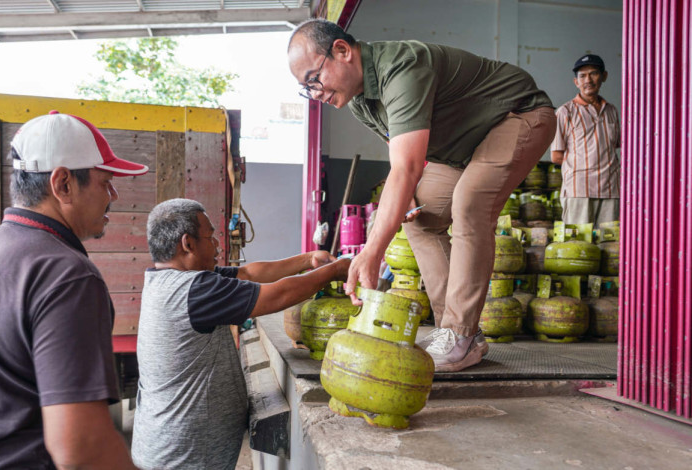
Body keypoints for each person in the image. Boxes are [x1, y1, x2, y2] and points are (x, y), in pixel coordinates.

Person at [287, 19, 556, 372]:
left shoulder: (402, 66)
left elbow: (407, 168)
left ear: (342, 51)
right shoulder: (359, 101)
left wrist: (371, 252)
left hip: (518, 116)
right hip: (464, 148)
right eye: (306, 89)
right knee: (421, 219)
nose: (316, 93)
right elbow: (398, 151)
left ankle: (459, 333)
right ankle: (459, 333)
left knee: (470, 203)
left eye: (313, 79)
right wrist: (407, 191)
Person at [0, 111, 147, 469]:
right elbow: (82, 449)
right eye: (105, 182)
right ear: (63, 184)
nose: (114, 195)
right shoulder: (67, 276)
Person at [131, 198, 350, 470]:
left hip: (168, 443)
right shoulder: (194, 290)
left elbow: (248, 273)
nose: (218, 245)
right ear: (187, 244)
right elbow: (278, 294)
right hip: (184, 455)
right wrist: (336, 270)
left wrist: (308, 259)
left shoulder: (166, 280)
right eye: (211, 237)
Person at [551, 54, 621, 226]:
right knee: (579, 244)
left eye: (593, 73)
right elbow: (556, 156)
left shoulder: (611, 110)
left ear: (604, 76)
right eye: (582, 76)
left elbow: (616, 147)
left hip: (611, 191)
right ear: (576, 82)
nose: (588, 80)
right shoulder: (565, 112)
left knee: (609, 246)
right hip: (579, 191)